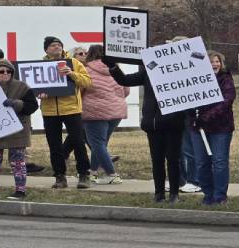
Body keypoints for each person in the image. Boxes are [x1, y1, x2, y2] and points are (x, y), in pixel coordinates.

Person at [103, 54, 185, 204]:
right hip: (153, 124)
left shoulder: (182, 73)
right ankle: (159, 194)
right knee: (157, 160)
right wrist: (113, 67)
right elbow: (125, 80)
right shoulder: (149, 72)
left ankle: (174, 194)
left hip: (173, 124)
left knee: (173, 160)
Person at [39, 36, 93, 189]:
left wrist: (71, 73)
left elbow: (87, 82)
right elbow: (33, 86)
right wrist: (38, 93)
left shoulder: (74, 62)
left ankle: (84, 174)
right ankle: (59, 176)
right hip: (49, 110)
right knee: (54, 145)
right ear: (46, 50)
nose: (57, 47)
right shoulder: (40, 66)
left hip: (71, 108)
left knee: (78, 142)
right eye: (52, 45)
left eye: (59, 45)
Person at [0, 60, 39, 199]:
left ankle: (20, 191)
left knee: (17, 163)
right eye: (1, 71)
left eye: (8, 71)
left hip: (17, 132)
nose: (5, 73)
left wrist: (16, 104)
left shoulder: (22, 86)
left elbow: (32, 106)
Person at [189, 50, 236, 206]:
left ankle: (220, 196)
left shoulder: (225, 79)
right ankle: (208, 195)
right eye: (211, 61)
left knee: (219, 162)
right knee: (201, 162)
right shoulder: (193, 80)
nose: (215, 64)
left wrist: (206, 117)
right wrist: (193, 117)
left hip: (221, 128)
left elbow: (227, 100)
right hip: (198, 129)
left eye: (217, 61)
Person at [80, 45, 128, 184]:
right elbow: (126, 91)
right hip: (117, 111)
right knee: (101, 143)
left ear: (89, 54)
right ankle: (93, 172)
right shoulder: (116, 69)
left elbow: (80, 91)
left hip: (94, 112)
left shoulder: (86, 70)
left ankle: (112, 174)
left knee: (97, 143)